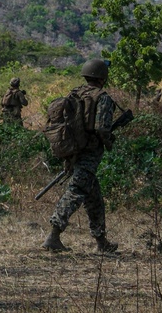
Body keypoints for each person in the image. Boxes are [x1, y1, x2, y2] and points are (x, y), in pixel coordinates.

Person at [42, 58, 118, 254]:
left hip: (74, 150)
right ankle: (53, 235)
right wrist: (109, 140)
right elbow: (102, 128)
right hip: (89, 153)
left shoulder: (75, 93)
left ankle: (101, 241)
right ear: (103, 77)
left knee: (94, 199)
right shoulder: (102, 97)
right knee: (76, 191)